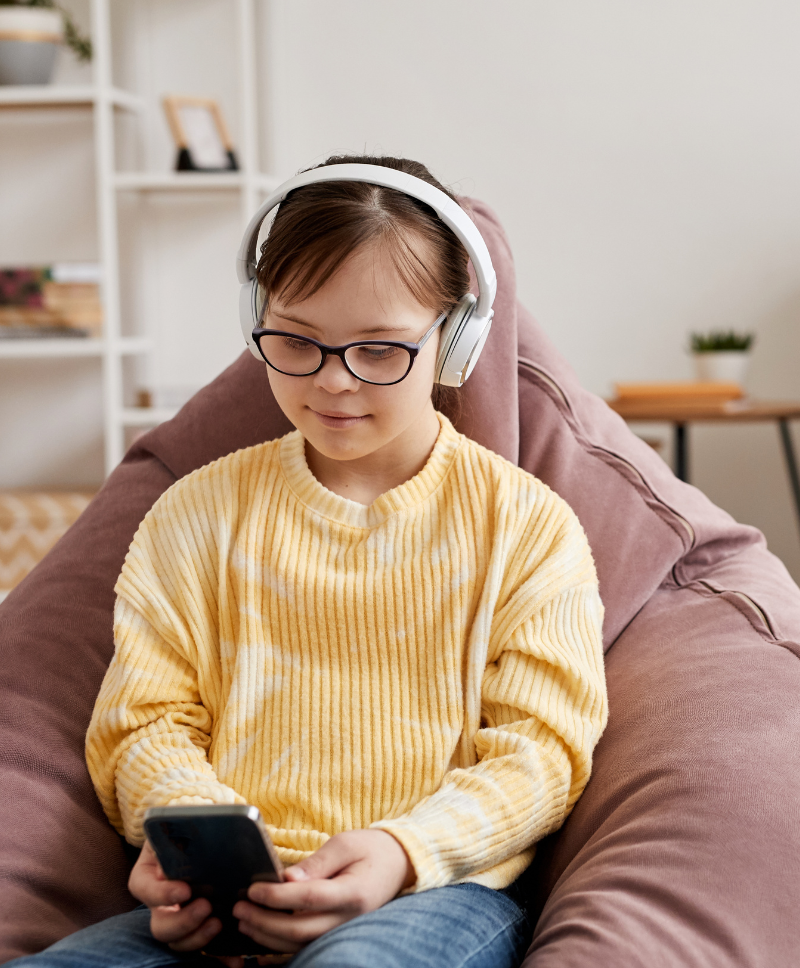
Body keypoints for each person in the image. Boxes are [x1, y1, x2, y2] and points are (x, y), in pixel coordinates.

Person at [8, 155, 608, 968]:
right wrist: (190, 844)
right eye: (297, 340)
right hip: (230, 897)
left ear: (457, 341)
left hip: (434, 891)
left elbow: (544, 751)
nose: (334, 382)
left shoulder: (526, 527)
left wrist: (400, 852)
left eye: (380, 350)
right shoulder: (195, 513)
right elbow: (143, 722)